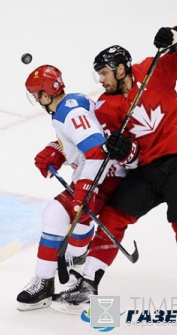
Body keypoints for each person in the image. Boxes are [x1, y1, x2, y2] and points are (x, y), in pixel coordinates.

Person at [52, 26, 177, 322]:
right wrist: (123, 152)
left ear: (121, 69)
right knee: (112, 218)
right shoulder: (106, 107)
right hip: (147, 171)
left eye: (104, 73)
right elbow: (90, 137)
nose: (100, 79)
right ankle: (87, 285)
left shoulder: (154, 70)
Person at [16, 65, 129, 311]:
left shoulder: (70, 113)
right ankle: (75, 260)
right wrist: (57, 150)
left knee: (56, 213)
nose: (37, 100)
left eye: (37, 95)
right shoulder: (72, 103)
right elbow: (83, 140)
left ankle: (49, 282)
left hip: (104, 176)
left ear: (46, 95)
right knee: (74, 217)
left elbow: (98, 152)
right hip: (107, 173)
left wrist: (84, 190)